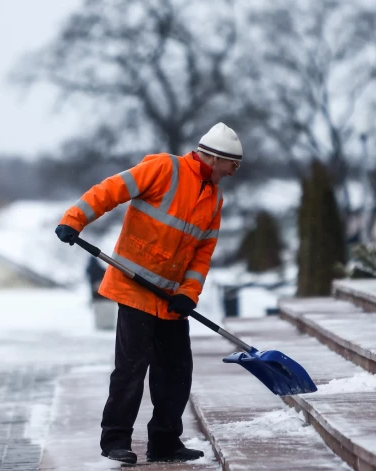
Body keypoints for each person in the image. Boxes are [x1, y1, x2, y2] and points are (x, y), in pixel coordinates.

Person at [55, 122, 242, 465]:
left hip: (171, 298)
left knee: (176, 371)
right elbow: (110, 190)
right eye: (233, 165)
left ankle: (165, 442)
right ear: (216, 159)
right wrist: (75, 218)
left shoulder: (214, 198)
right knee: (131, 367)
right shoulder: (164, 169)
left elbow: (203, 253)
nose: (233, 172)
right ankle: (115, 440)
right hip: (133, 287)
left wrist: (189, 292)